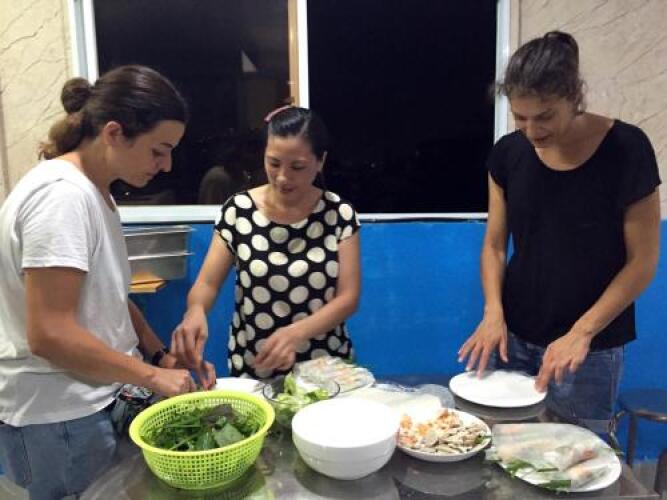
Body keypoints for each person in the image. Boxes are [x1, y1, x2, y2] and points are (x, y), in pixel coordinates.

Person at [0, 65, 209, 499]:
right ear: (114, 133)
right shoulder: (61, 197)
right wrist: (152, 376)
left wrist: (161, 355)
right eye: (159, 150)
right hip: (58, 415)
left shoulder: (96, 191)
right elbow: (49, 334)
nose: (167, 165)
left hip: (90, 400)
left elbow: (110, 296)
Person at [458, 31, 661, 433]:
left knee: (574, 455)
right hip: (514, 334)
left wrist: (582, 332)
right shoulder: (508, 154)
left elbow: (642, 262)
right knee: (503, 446)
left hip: (589, 347)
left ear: (574, 97)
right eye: (520, 117)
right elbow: (495, 246)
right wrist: (493, 312)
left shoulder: (626, 149)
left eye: (545, 116)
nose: (532, 130)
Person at [172, 106, 361, 379]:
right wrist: (195, 310)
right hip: (255, 366)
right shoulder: (238, 210)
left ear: (320, 161)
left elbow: (348, 298)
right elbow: (207, 284)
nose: (283, 176)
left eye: (297, 167)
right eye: (273, 163)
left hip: (326, 367)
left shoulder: (338, 214)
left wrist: (295, 333)